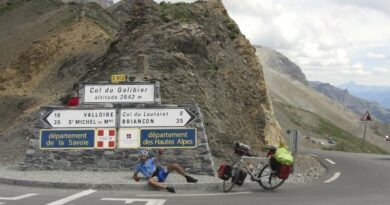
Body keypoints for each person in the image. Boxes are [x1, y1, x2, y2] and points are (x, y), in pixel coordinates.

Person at [133, 149, 198, 193]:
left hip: (160, 172)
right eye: (141, 156)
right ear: (139, 157)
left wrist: (159, 153)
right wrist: (136, 178)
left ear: (146, 156)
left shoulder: (150, 160)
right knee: (150, 181)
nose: (142, 157)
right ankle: (168, 188)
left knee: (174, 165)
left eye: (144, 156)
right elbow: (135, 175)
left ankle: (187, 177)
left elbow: (157, 157)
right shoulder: (138, 166)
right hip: (155, 177)